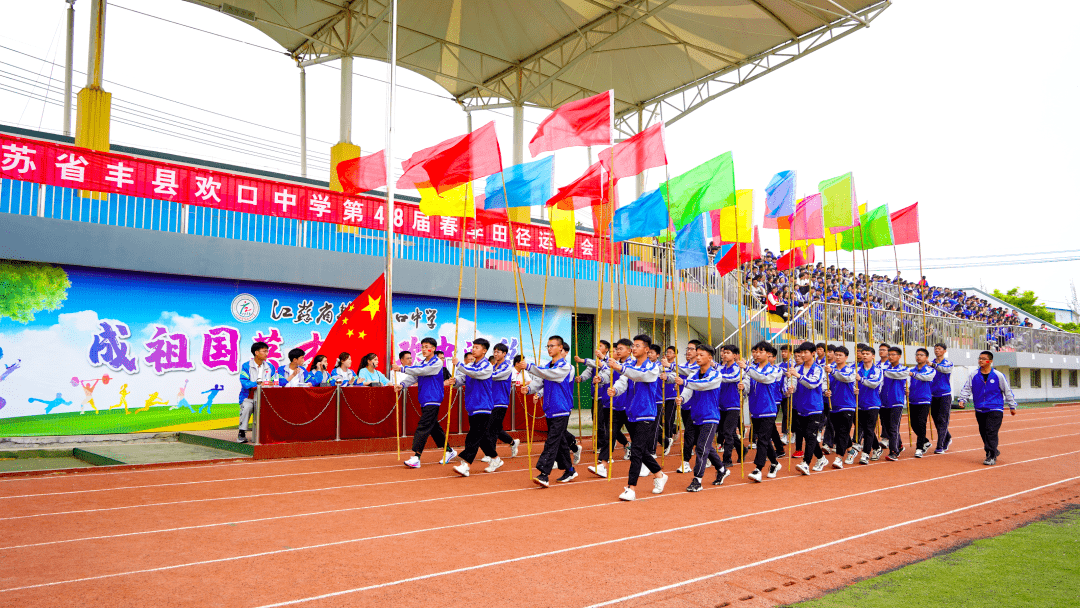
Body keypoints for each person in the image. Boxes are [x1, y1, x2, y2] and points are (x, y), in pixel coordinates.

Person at [608, 334, 667, 501]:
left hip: (646, 413)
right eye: (633, 345)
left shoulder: (653, 367)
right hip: (632, 412)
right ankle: (659, 475)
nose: (634, 348)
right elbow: (623, 380)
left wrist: (620, 367)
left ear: (647, 349)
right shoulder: (630, 365)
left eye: (638, 345)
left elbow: (640, 375)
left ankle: (631, 488)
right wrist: (616, 390)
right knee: (640, 450)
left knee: (636, 451)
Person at [516, 336, 577, 486]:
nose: (549, 348)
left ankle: (544, 473)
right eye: (548, 346)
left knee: (552, 441)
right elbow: (540, 382)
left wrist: (529, 367)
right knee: (561, 442)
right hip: (550, 409)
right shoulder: (548, 366)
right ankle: (569, 470)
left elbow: (549, 375)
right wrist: (529, 389)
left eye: (552, 346)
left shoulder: (565, 367)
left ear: (561, 348)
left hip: (561, 409)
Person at [395, 337, 456, 468]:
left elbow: (423, 371)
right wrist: (402, 384)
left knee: (423, 425)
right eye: (422, 347)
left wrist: (402, 369)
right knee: (433, 427)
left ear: (433, 349)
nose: (423, 349)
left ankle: (416, 456)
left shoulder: (437, 362)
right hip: (424, 398)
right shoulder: (422, 362)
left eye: (426, 347)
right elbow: (415, 375)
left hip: (433, 398)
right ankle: (449, 451)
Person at [674, 344, 728, 491]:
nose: (697, 357)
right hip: (695, 416)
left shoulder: (716, 374)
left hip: (710, 417)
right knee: (705, 447)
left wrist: (684, 382)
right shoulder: (693, 374)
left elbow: (703, 385)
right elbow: (688, 391)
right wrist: (682, 399)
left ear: (710, 357)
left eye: (701, 355)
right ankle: (722, 469)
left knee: (701, 449)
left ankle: (697, 480)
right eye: (696, 354)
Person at [449, 338, 502, 476]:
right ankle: (496, 459)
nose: (473, 349)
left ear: (484, 350)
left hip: (483, 405)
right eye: (473, 347)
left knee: (473, 435)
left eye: (477, 347)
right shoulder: (471, 365)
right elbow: (465, 377)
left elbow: (477, 374)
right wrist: (455, 381)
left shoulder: (487, 366)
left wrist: (460, 365)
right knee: (481, 436)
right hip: (472, 405)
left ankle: (466, 464)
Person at [957, 351, 1017, 465]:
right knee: (983, 431)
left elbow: (1007, 390)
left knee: (991, 431)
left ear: (990, 361)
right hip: (980, 408)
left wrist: (1012, 405)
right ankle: (993, 449)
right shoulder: (974, 375)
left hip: (995, 408)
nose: (980, 361)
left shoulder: (998, 375)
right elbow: (967, 388)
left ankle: (991, 455)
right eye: (979, 358)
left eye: (983, 359)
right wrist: (962, 399)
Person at [578, 340, 625, 477]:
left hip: (624, 405)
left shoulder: (625, 365)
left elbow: (611, 369)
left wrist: (584, 360)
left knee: (634, 437)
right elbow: (604, 373)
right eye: (616, 350)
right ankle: (604, 462)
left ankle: (630, 447)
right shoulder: (608, 364)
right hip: (608, 401)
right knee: (608, 430)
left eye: (620, 349)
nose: (617, 352)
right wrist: (599, 379)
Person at [741, 341, 782, 482]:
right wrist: (742, 387)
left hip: (768, 410)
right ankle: (775, 463)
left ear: (768, 354)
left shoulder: (773, 370)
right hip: (755, 410)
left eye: (760, 352)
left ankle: (758, 468)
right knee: (764, 439)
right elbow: (748, 386)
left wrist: (747, 369)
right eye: (755, 351)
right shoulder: (751, 369)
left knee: (763, 439)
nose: (756, 354)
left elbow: (763, 378)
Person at [786, 341, 827, 475]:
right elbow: (792, 384)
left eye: (805, 353)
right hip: (800, 407)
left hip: (814, 406)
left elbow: (813, 384)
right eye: (800, 353)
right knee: (806, 435)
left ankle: (806, 462)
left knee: (810, 435)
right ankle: (821, 458)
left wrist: (798, 376)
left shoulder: (818, 369)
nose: (802, 355)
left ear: (813, 354)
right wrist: (790, 388)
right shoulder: (797, 368)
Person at [483, 344, 520, 461]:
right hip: (490, 401)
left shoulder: (507, 367)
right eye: (494, 351)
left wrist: (480, 374)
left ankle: (490, 454)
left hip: (500, 401)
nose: (495, 354)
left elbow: (494, 377)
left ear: (504, 353)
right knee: (496, 428)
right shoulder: (492, 367)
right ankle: (512, 442)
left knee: (491, 428)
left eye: (498, 352)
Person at [824, 345, 857, 469]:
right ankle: (850, 449)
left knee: (843, 431)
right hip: (834, 405)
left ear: (846, 357)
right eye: (836, 355)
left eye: (840, 355)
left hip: (847, 405)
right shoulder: (829, 368)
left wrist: (832, 372)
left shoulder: (850, 370)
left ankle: (839, 458)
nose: (837, 357)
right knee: (838, 432)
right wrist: (825, 391)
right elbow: (824, 383)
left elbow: (845, 378)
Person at [238, 341, 277, 443]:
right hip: (249, 397)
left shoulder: (270, 366)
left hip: (265, 398)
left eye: (267, 351)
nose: (267, 353)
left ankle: (269, 434)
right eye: (264, 351)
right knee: (247, 408)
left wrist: (271, 383)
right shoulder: (247, 366)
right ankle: (241, 433)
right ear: (256, 352)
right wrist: (259, 383)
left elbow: (273, 381)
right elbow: (245, 383)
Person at [853, 344, 884, 465]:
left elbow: (874, 384)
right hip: (859, 403)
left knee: (869, 429)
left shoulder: (877, 370)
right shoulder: (857, 368)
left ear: (873, 356)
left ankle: (865, 454)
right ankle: (877, 448)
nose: (864, 355)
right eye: (863, 353)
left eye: (867, 354)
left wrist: (860, 380)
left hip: (873, 403)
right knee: (865, 429)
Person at [674, 340, 701, 473]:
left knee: (689, 434)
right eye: (687, 348)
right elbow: (676, 376)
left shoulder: (698, 367)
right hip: (684, 404)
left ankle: (685, 462)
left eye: (692, 349)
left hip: (695, 405)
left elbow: (687, 374)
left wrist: (671, 366)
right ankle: (705, 456)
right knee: (693, 435)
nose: (688, 351)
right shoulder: (683, 365)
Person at [880, 346, 909, 461]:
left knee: (893, 427)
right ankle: (899, 445)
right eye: (889, 354)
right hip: (883, 402)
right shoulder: (884, 368)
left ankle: (894, 452)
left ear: (899, 356)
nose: (890, 357)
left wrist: (883, 371)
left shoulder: (904, 369)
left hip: (896, 401)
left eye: (893, 354)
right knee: (887, 427)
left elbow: (895, 374)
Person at [907, 348, 936, 458]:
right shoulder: (912, 369)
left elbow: (926, 377)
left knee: (921, 423)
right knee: (913, 424)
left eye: (921, 355)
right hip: (912, 399)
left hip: (924, 400)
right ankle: (925, 441)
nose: (919, 357)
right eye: (917, 355)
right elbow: (906, 380)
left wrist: (912, 374)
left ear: (926, 357)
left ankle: (919, 448)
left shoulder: (930, 370)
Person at [930, 343, 955, 452]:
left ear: (944, 351)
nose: (937, 351)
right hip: (933, 394)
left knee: (943, 419)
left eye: (939, 349)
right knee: (935, 419)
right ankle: (947, 437)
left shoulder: (948, 363)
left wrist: (933, 365)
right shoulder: (931, 363)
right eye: (935, 349)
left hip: (944, 394)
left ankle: (940, 445)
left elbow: (945, 370)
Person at [658, 346, 680, 455]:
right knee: (661, 419)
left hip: (671, 396)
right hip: (661, 396)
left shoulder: (676, 367)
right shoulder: (660, 365)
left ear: (675, 355)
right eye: (667, 352)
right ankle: (676, 428)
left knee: (668, 419)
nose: (668, 354)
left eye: (671, 352)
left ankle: (667, 440)